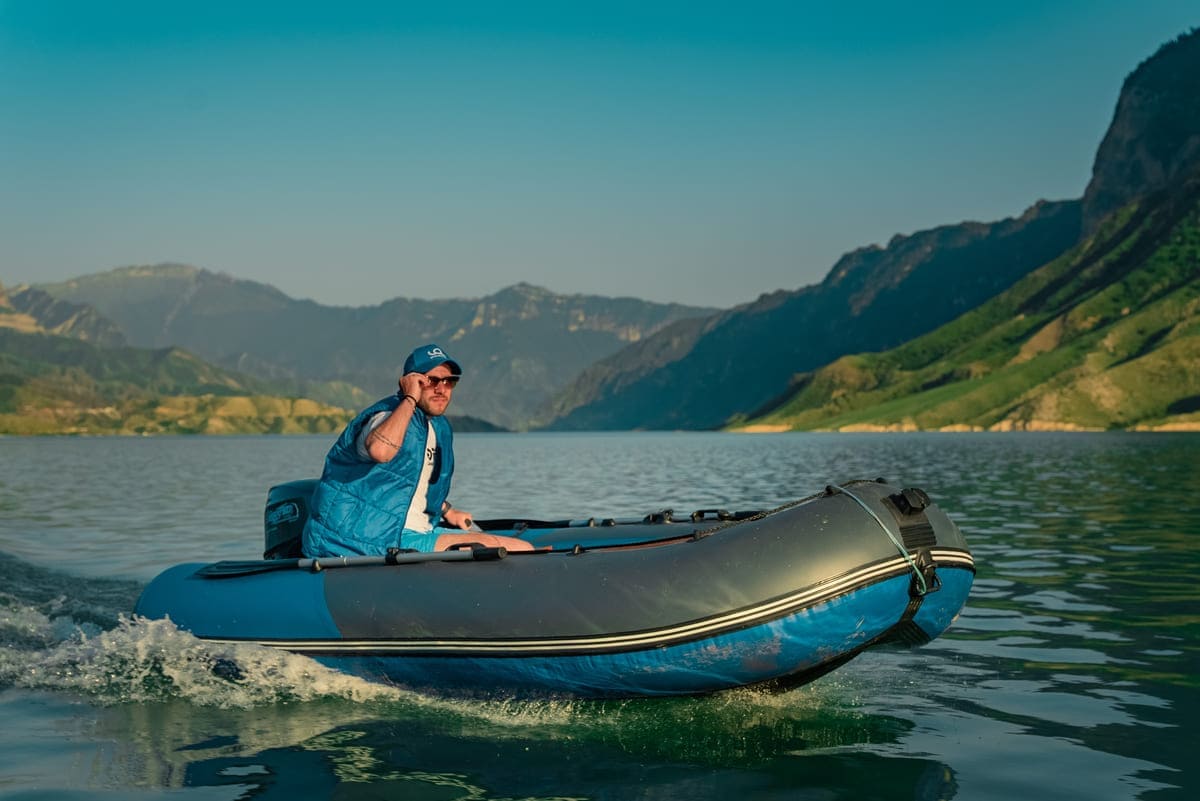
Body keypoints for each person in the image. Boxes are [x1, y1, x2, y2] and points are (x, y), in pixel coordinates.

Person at [301, 343, 535, 557]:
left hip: (414, 532)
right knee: (520, 550)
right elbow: (381, 451)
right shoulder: (385, 417)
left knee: (511, 547)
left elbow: (410, 481)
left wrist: (447, 511)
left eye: (449, 381)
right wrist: (410, 398)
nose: (441, 389)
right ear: (410, 382)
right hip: (368, 539)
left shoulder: (437, 427)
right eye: (432, 381)